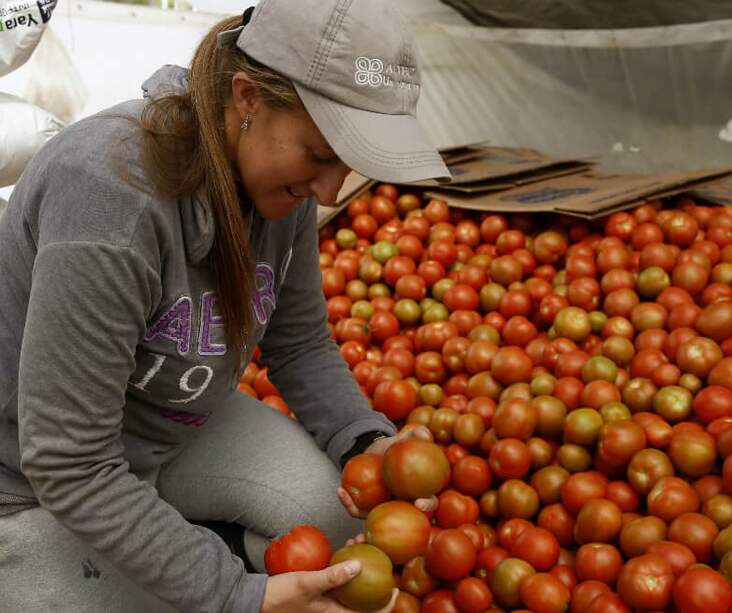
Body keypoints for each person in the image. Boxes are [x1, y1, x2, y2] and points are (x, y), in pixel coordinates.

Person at [0, 0, 449, 611]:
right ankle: (199, 553)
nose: (330, 190)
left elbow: (298, 342)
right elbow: (69, 462)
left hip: (167, 431)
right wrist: (233, 593)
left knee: (337, 523)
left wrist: (364, 439)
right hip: (31, 478)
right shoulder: (109, 197)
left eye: (348, 165)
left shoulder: (275, 191)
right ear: (247, 98)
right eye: (319, 156)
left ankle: (205, 541)